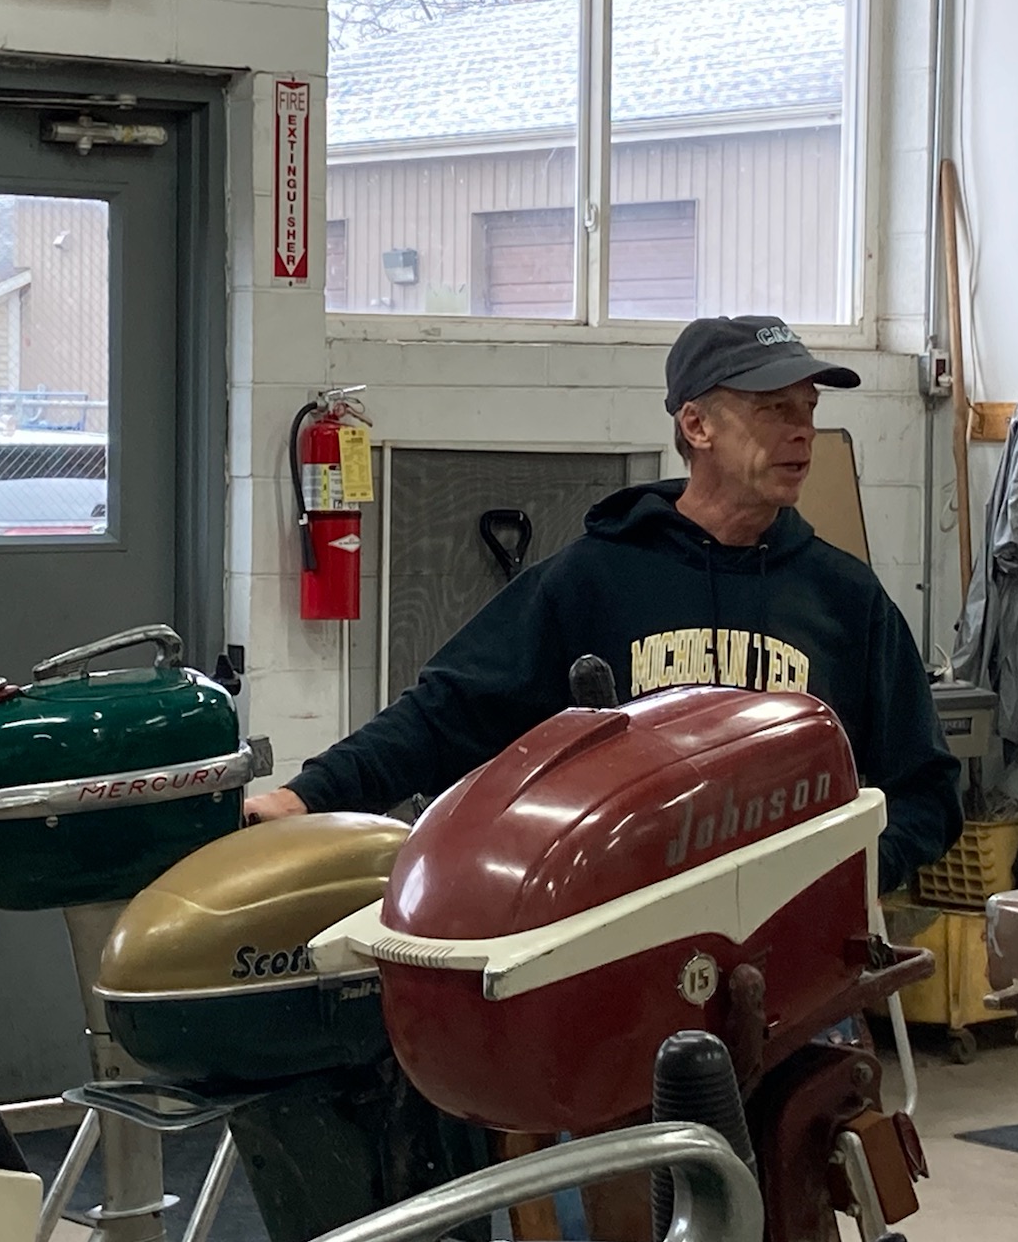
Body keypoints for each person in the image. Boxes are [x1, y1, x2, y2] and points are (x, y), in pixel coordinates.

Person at [247, 314, 961, 895]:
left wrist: (852, 876)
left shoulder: (845, 598)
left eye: (808, 408)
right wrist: (309, 795)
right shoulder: (594, 580)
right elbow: (445, 712)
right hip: (627, 945)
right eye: (774, 408)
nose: (801, 430)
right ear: (697, 425)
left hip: (795, 958)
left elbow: (927, 789)